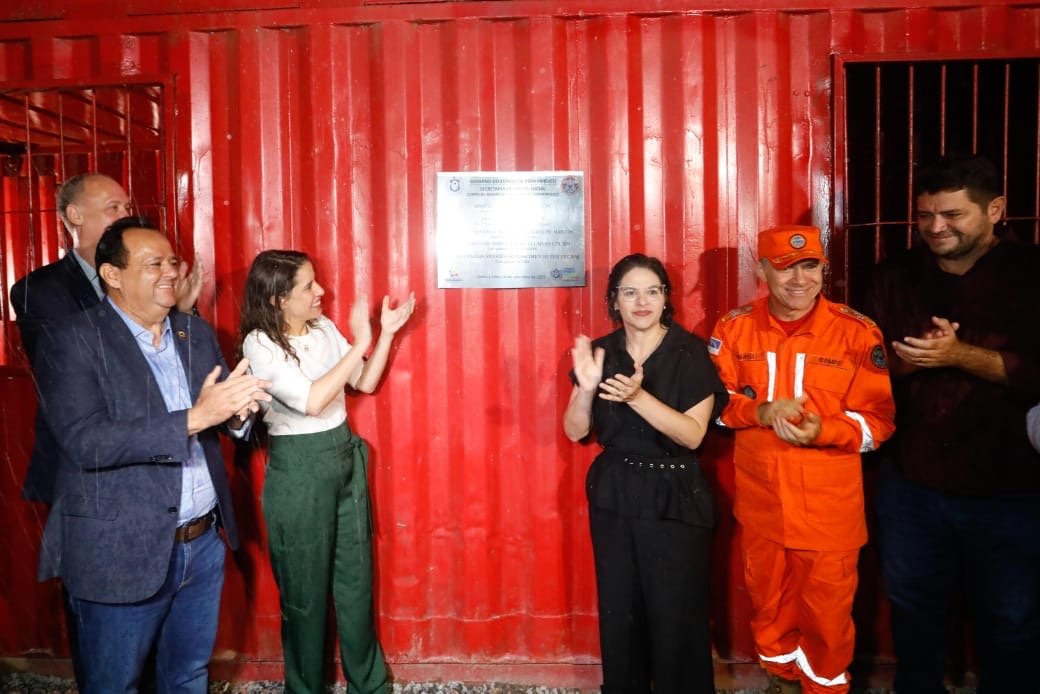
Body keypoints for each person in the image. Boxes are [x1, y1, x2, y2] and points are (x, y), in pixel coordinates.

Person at [31, 216, 270, 694]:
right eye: (153, 263)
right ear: (112, 275)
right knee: (114, 684)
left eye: (172, 261)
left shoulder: (192, 333)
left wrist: (240, 413)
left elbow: (222, 413)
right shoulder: (72, 340)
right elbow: (85, 441)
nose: (169, 272)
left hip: (201, 545)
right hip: (119, 550)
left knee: (187, 676)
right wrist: (194, 418)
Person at [863, 154, 1040, 693]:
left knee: (1011, 623)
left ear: (996, 209)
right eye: (925, 215)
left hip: (1011, 484)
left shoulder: (1032, 276)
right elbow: (860, 368)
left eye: (953, 215)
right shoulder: (893, 276)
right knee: (914, 617)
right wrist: (904, 362)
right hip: (912, 481)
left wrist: (961, 356)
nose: (936, 227)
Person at [708, 225, 895, 694]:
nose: (799, 280)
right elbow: (714, 405)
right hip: (763, 508)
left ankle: (825, 688)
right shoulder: (733, 329)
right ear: (761, 270)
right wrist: (760, 411)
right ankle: (781, 680)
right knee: (769, 608)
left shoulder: (856, 332)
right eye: (785, 268)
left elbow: (879, 421)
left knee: (828, 619)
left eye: (809, 267)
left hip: (828, 515)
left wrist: (824, 431)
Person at [239, 250, 416, 694]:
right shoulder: (259, 344)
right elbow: (313, 400)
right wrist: (359, 341)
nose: (321, 292)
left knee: (355, 584)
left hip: (342, 458)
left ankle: (369, 684)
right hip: (299, 470)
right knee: (304, 596)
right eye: (308, 286)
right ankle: (305, 688)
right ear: (279, 298)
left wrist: (385, 335)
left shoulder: (322, 329)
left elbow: (364, 382)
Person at [562, 253, 727, 693]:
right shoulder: (602, 352)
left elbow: (693, 436)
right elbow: (576, 430)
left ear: (665, 299)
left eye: (652, 291)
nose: (642, 301)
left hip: (676, 494)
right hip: (616, 492)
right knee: (621, 610)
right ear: (614, 300)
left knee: (677, 615)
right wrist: (585, 387)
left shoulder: (689, 352)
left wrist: (636, 397)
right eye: (630, 292)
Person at [10, 172, 202, 503]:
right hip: (88, 476)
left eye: (127, 206)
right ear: (75, 216)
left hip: (158, 465)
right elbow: (78, 371)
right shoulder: (38, 290)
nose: (125, 215)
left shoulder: (153, 284)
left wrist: (177, 315)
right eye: (113, 208)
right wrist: (168, 313)